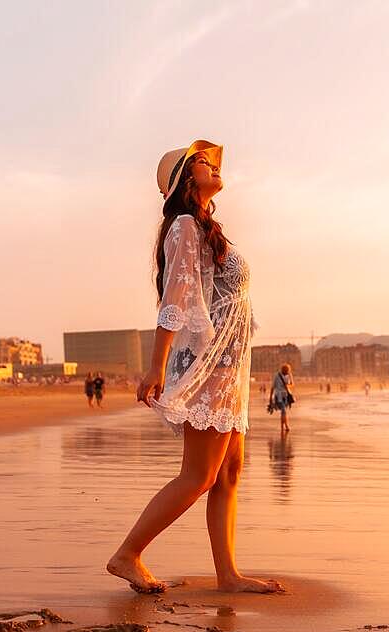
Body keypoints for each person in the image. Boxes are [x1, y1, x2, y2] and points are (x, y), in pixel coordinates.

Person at [109, 139, 283, 596]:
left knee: (229, 472)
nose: (214, 166)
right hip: (209, 366)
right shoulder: (185, 224)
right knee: (200, 475)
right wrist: (156, 367)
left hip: (229, 368)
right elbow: (176, 299)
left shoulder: (204, 227)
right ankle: (128, 554)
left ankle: (228, 574)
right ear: (187, 178)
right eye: (205, 162)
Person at [269, 364, 296, 433]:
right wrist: (270, 398)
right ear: (283, 370)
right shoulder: (277, 376)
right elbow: (273, 387)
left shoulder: (288, 375)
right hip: (279, 396)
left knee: (284, 412)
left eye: (288, 371)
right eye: (287, 371)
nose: (288, 372)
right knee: (284, 411)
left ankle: (283, 426)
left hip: (286, 396)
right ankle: (285, 426)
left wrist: (288, 384)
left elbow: (292, 384)